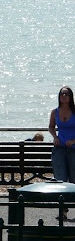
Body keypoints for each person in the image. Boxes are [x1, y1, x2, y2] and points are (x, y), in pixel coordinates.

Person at [49, 86, 75, 220]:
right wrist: (55, 137)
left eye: (66, 94)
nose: (64, 96)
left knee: (74, 180)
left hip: (73, 149)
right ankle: (63, 211)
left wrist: (73, 140)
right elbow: (51, 127)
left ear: (71, 96)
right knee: (60, 179)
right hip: (60, 149)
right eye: (61, 94)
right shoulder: (55, 112)